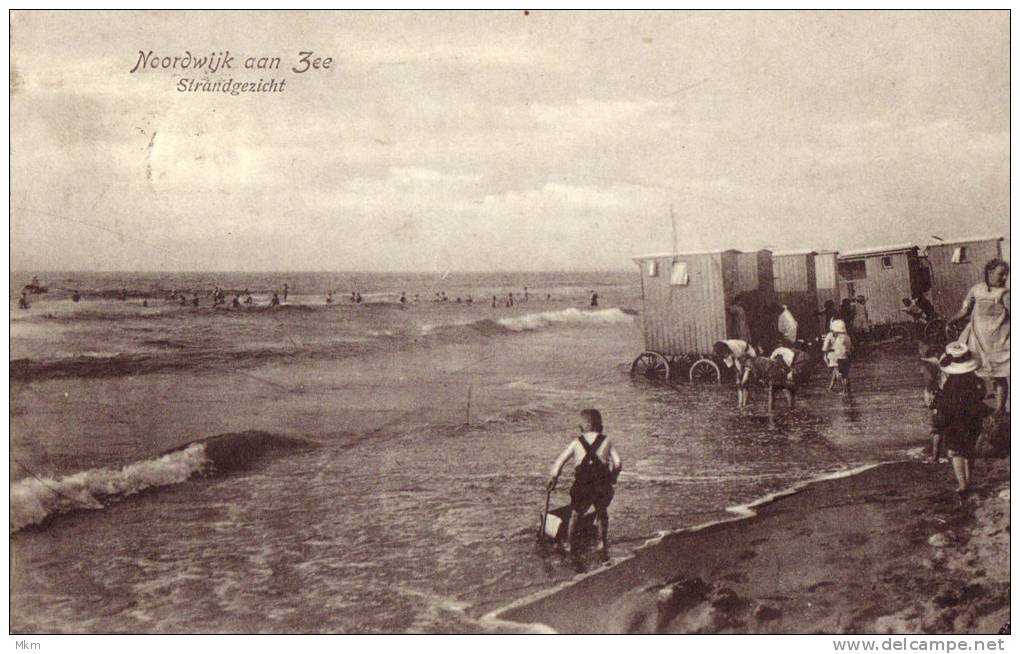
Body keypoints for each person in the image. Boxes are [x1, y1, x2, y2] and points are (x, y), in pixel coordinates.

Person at [547, 409, 622, 553]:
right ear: (600, 427)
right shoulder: (607, 441)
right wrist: (613, 477)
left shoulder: (576, 442)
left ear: (581, 428)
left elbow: (560, 461)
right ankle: (601, 543)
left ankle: (569, 543)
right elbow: (618, 463)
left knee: (575, 513)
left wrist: (553, 478)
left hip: (583, 484)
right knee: (601, 512)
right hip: (602, 484)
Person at [948, 259, 1010, 416]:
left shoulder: (1005, 293)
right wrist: (951, 320)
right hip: (977, 339)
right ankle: (971, 404)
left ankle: (1000, 409)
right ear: (989, 272)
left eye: (1006, 275)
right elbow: (964, 310)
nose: (1004, 278)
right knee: (970, 370)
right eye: (1001, 274)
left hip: (998, 341)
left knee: (1000, 375)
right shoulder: (976, 290)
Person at [933, 342, 991, 496]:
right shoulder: (975, 381)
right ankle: (969, 480)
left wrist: (939, 416)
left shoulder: (950, 384)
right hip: (972, 419)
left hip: (955, 421)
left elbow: (944, 403)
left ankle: (962, 484)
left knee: (955, 452)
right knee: (969, 450)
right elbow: (981, 396)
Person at [919, 341, 946, 463]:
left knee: (937, 429)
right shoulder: (938, 366)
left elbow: (930, 383)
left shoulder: (928, 367)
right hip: (939, 396)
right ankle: (939, 455)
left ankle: (935, 457)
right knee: (940, 427)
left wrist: (930, 396)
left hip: (936, 397)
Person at [713, 339, 757, 408]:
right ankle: (741, 404)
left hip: (748, 352)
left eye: (725, 354)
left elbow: (742, 361)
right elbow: (733, 366)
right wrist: (738, 378)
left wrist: (742, 376)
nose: (725, 355)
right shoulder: (723, 354)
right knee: (739, 382)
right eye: (724, 355)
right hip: (738, 358)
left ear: (726, 350)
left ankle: (746, 402)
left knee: (745, 380)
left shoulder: (733, 346)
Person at [821, 319, 852, 394]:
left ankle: (845, 390)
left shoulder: (829, 335)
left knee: (837, 373)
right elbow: (849, 347)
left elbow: (825, 348)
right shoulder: (845, 336)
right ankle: (832, 388)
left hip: (832, 356)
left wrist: (825, 357)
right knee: (841, 374)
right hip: (843, 355)